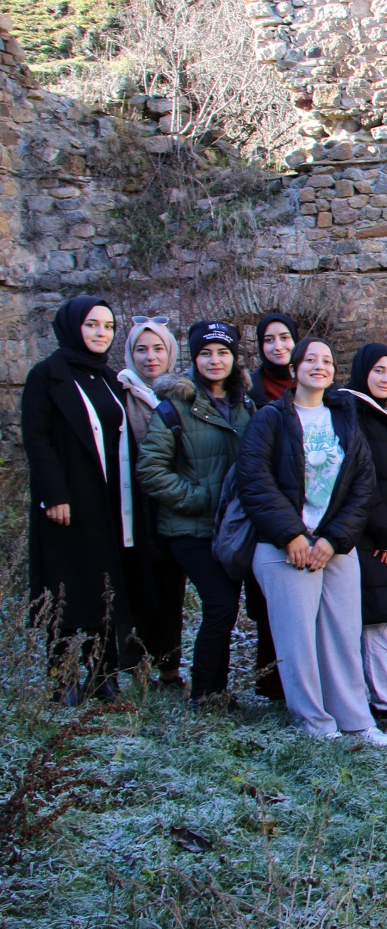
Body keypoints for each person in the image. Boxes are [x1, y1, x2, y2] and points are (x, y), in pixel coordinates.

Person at [237, 338, 387, 745]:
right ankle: (314, 722)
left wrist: (334, 540)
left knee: (343, 635)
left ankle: (357, 720)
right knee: (298, 639)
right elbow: (254, 480)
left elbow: (362, 484)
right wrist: (292, 535)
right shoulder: (271, 418)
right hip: (284, 546)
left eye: (326, 360)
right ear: (295, 367)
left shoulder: (343, 418)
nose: (318, 366)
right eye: (310, 359)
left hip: (334, 546)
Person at [136, 321, 259, 708]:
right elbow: (150, 470)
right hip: (189, 528)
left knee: (225, 607)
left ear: (235, 358)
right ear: (194, 358)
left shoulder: (246, 404)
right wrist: (202, 496)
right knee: (221, 604)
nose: (215, 360)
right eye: (205, 353)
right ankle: (206, 695)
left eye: (223, 352)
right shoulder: (174, 406)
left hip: (230, 528)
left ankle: (215, 690)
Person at [23, 297, 138, 704]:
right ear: (73, 327)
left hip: (107, 504)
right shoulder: (47, 375)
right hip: (68, 503)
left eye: (107, 326)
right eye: (92, 325)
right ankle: (62, 677)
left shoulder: (108, 378)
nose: (100, 333)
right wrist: (54, 494)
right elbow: (36, 439)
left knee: (104, 588)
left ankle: (103, 674)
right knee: (68, 590)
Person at [341, 344, 387, 731]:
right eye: (378, 371)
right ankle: (383, 704)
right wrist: (381, 529)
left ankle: (379, 700)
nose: (385, 379)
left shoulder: (383, 417)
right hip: (362, 534)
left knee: (377, 616)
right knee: (377, 617)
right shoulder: (352, 411)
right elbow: (360, 479)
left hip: (380, 533)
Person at [117, 315, 186, 686]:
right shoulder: (120, 393)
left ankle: (170, 667)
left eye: (158, 348)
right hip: (135, 507)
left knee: (169, 588)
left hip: (173, 507)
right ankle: (135, 666)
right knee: (136, 586)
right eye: (141, 350)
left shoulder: (182, 393)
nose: (150, 357)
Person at [248, 313, 298, 408]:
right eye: (269, 340)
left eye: (284, 338)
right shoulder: (248, 388)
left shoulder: (315, 379)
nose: (278, 347)